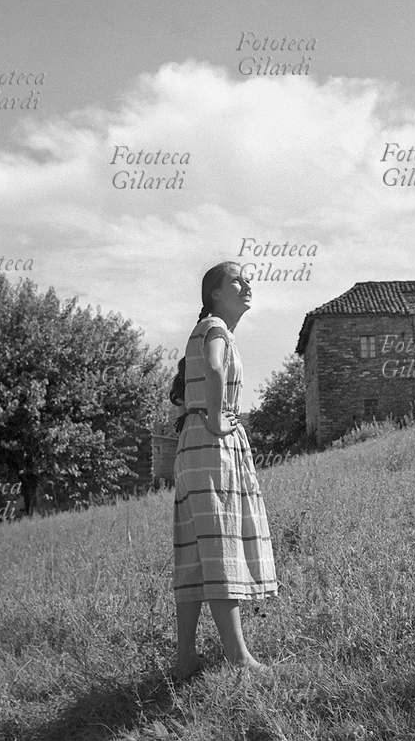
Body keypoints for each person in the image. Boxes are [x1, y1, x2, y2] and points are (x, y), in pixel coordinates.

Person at [169, 261, 277, 679]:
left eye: (247, 279)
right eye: (237, 280)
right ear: (215, 293)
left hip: (194, 447)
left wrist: (208, 418)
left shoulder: (209, 328)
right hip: (210, 445)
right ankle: (239, 657)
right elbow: (214, 367)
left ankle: (185, 659)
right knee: (220, 547)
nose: (247, 284)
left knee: (196, 552)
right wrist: (216, 419)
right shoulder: (215, 327)